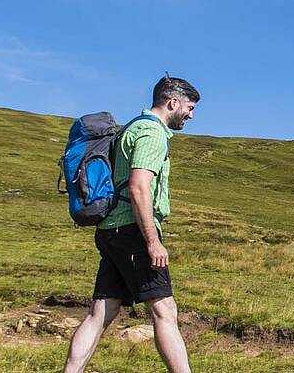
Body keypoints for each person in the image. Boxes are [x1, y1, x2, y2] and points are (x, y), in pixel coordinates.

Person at [65, 75, 200, 373]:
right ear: (172, 102)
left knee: (101, 311)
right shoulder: (152, 134)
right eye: (189, 108)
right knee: (165, 310)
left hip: (110, 231)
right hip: (133, 232)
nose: (191, 115)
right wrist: (152, 241)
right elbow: (139, 187)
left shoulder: (130, 129)